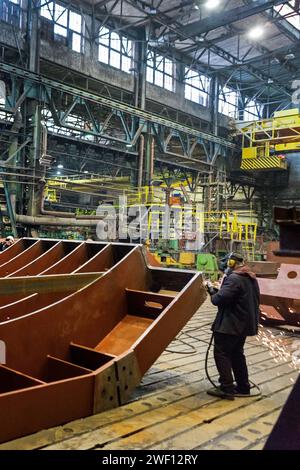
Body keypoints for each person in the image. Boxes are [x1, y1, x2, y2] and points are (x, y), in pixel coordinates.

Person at [205, 252, 260, 400]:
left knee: (222, 354)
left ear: (232, 263)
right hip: (242, 325)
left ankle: (227, 389)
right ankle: (243, 387)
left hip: (230, 325)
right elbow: (234, 297)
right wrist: (220, 291)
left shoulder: (234, 278)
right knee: (237, 354)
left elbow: (219, 300)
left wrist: (212, 292)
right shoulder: (250, 277)